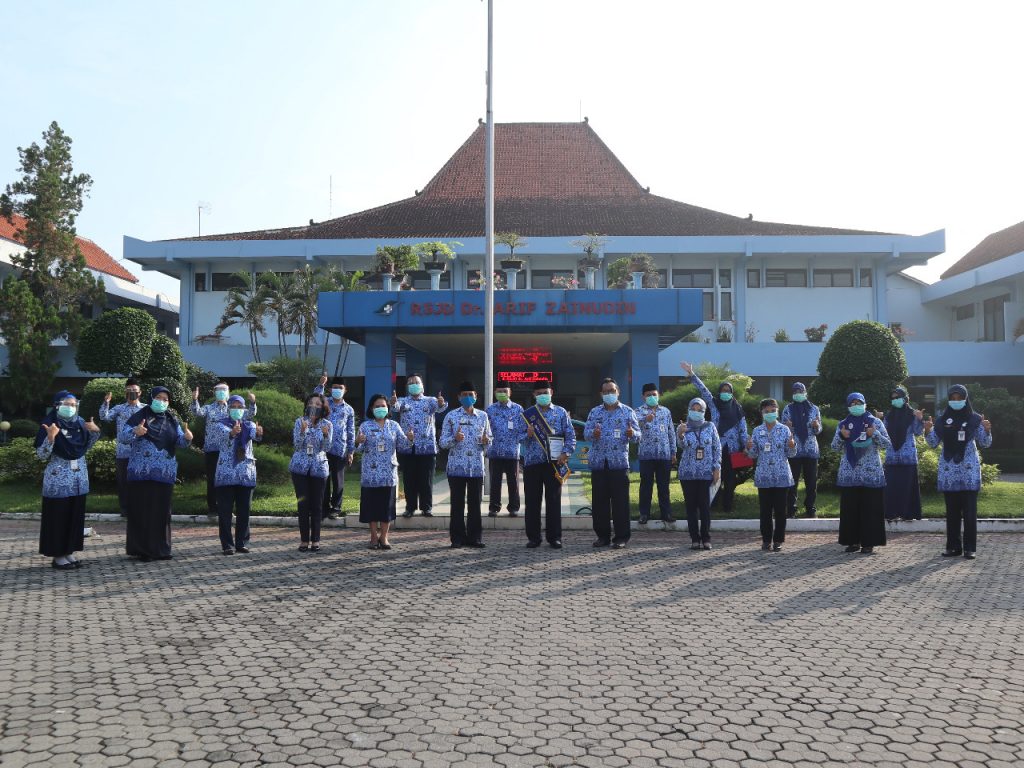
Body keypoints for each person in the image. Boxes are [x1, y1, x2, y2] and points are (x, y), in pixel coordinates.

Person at [121, 386, 194, 561]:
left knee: (161, 512)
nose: (162, 401)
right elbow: (123, 437)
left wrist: (187, 438)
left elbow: (179, 442)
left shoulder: (171, 420)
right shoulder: (139, 416)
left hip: (164, 473)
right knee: (143, 510)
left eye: (165, 399)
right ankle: (143, 550)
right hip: (141, 473)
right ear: (151, 398)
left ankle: (161, 549)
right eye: (159, 398)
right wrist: (135, 431)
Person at [924, 385, 993, 560]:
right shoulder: (942, 420)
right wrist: (927, 430)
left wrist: (987, 429)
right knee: (952, 513)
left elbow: (985, 443)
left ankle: (970, 548)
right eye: (952, 398)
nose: (956, 401)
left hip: (968, 472)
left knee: (970, 513)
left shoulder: (975, 419)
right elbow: (932, 443)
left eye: (959, 398)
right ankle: (953, 547)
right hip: (949, 472)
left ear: (965, 398)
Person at [36, 391, 101, 569]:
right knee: (59, 518)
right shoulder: (49, 424)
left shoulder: (80, 423)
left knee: (74, 518)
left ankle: (68, 551)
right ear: (57, 405)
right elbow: (41, 455)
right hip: (59, 481)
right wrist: (50, 438)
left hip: (79, 480)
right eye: (67, 404)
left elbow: (84, 447)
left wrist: (95, 433)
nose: (71, 407)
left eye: (73, 404)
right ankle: (58, 556)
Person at [682, 361, 748, 514]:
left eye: (728, 390)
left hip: (732, 450)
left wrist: (745, 446)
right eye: (723, 390)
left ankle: (728, 506)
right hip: (714, 448)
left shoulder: (738, 409)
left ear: (732, 393)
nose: (726, 392)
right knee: (713, 477)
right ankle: (712, 503)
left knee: (730, 479)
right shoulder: (714, 404)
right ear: (719, 392)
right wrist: (692, 375)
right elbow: (704, 391)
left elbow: (743, 431)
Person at [831, 392, 892, 555]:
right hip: (850, 473)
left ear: (864, 404)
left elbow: (887, 444)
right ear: (848, 405)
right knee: (851, 509)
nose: (856, 406)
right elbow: (834, 447)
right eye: (852, 403)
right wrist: (841, 436)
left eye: (859, 402)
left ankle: (869, 543)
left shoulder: (875, 422)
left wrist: (875, 434)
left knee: (870, 509)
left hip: (871, 473)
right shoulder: (843, 424)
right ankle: (853, 541)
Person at [584, 378, 641, 549]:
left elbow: (638, 436)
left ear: (618, 392)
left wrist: (632, 434)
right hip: (599, 463)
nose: (609, 394)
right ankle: (602, 537)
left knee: (620, 503)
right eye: (606, 391)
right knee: (599, 502)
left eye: (612, 390)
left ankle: (621, 537)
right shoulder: (595, 412)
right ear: (601, 394)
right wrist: (593, 433)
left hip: (619, 464)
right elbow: (586, 434)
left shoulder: (628, 412)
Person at [521, 381, 576, 549]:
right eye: (538, 393)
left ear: (551, 392)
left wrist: (566, 453)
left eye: (545, 392)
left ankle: (554, 538)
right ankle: (533, 538)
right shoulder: (527, 414)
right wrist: (527, 434)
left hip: (553, 463)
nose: (542, 395)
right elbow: (517, 438)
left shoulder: (560, 413)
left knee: (553, 501)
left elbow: (570, 435)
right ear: (534, 395)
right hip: (532, 464)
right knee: (532, 502)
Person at [439, 382, 493, 548]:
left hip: (476, 468)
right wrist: (455, 438)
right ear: (459, 397)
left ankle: (474, 538)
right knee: (457, 505)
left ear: (476, 397)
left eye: (470, 394)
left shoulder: (483, 416)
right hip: (456, 468)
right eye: (464, 394)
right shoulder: (451, 416)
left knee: (475, 505)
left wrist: (486, 441)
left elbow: (489, 441)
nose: (467, 397)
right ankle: (457, 538)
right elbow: (442, 442)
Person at [191, 382, 256, 517]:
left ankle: (226, 509)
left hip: (229, 449)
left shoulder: (233, 407)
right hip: (212, 448)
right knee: (212, 478)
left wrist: (252, 402)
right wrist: (194, 399)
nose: (221, 392)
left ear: (228, 392)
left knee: (228, 479)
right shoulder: (209, 408)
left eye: (224, 390)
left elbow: (249, 415)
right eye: (218, 390)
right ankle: (213, 509)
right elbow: (197, 412)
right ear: (214, 392)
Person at [209, 394, 263, 555]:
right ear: (229, 407)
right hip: (226, 474)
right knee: (225, 512)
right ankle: (227, 544)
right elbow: (222, 438)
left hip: (245, 473)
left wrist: (259, 432)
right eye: (234, 407)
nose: (237, 410)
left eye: (240, 407)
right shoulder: (220, 425)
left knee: (244, 510)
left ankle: (242, 542)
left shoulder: (249, 424)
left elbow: (256, 437)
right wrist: (232, 433)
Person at [355, 394, 410, 550]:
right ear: (372, 409)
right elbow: (360, 448)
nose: (380, 409)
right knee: (371, 506)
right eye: (377, 406)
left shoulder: (394, 426)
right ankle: (373, 537)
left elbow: (404, 445)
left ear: (388, 408)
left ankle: (384, 537)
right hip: (370, 473)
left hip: (388, 473)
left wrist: (410, 438)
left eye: (383, 406)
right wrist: (358, 442)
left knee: (386, 506)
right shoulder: (365, 426)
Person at [390, 374, 447, 518]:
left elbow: (440, 408)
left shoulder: (430, 401)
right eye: (411, 382)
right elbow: (395, 407)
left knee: (426, 479)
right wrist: (393, 402)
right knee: (409, 479)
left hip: (427, 447)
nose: (414, 384)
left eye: (416, 382)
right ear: (407, 386)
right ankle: (410, 508)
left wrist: (441, 403)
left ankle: (426, 507)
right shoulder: (403, 401)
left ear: (422, 385)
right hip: (408, 447)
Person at [746, 399, 798, 552]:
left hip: (781, 475)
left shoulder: (784, 430)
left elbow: (791, 454)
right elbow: (753, 454)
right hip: (764, 476)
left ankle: (778, 540)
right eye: (766, 411)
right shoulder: (757, 431)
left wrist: (792, 445)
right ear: (762, 413)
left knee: (781, 511)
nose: (770, 414)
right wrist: (749, 447)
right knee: (765, 511)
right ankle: (766, 540)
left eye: (773, 411)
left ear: (777, 411)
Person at [676, 397, 721, 550]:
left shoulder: (710, 426)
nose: (696, 412)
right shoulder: (683, 427)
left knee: (704, 506)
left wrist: (717, 468)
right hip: (688, 473)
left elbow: (717, 448)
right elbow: (682, 446)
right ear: (689, 410)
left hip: (706, 472)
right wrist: (681, 435)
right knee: (691, 507)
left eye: (699, 410)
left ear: (704, 411)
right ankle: (694, 539)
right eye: (693, 409)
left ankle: (706, 538)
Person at [289, 393, 333, 552]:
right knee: (303, 505)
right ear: (307, 405)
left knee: (317, 505)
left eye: (318, 404)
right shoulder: (299, 422)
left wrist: (326, 434)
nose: (314, 406)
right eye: (311, 403)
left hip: (318, 469)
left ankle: (315, 540)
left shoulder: (327, 424)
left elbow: (327, 448)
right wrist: (302, 431)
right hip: (300, 469)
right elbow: (297, 445)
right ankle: (303, 540)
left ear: (323, 407)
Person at [99, 378, 146, 517]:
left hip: (141, 451)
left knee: (140, 481)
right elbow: (105, 417)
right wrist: (106, 402)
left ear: (140, 393)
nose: (132, 393)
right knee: (124, 482)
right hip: (123, 451)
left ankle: (140, 507)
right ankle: (125, 509)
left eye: (134, 391)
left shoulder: (145, 408)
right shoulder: (119, 408)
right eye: (129, 391)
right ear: (125, 392)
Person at [313, 375, 356, 519]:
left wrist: (351, 451)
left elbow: (351, 431)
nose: (337, 390)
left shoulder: (349, 409)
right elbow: (315, 399)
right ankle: (323, 508)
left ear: (345, 390)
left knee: (338, 480)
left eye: (340, 388)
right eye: (335, 387)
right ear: (331, 389)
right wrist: (321, 385)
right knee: (324, 479)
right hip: (323, 448)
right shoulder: (325, 403)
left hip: (340, 448)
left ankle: (336, 507)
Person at [636, 382, 677, 525]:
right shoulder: (639, 412)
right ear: (643, 397)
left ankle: (666, 514)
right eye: (649, 395)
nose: (652, 397)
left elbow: (671, 432)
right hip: (646, 455)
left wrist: (673, 452)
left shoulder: (665, 411)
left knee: (663, 486)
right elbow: (634, 429)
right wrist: (644, 420)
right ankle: (644, 514)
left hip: (664, 454)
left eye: (654, 394)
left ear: (658, 395)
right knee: (646, 485)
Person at [882, 386, 925, 522]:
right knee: (891, 487)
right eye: (893, 398)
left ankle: (908, 513)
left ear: (905, 399)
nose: (895, 400)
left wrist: (919, 419)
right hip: (891, 457)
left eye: (898, 397)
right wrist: (878, 421)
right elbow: (883, 433)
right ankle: (891, 513)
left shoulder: (912, 415)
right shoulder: (889, 416)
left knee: (907, 487)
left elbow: (918, 432)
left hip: (908, 457)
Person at [781, 382, 822, 519]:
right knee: (793, 481)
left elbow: (818, 429)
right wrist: (788, 426)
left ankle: (810, 508)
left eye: (800, 391)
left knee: (811, 481)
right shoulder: (788, 408)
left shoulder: (814, 409)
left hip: (811, 450)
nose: (798, 394)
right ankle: (791, 508)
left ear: (805, 392)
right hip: (794, 449)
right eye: (795, 391)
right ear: (793, 394)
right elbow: (783, 430)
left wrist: (816, 426)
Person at [485, 385, 525, 517]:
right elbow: (485, 429)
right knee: (495, 481)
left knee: (513, 482)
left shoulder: (518, 409)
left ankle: (513, 507)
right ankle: (494, 507)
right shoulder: (490, 410)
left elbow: (523, 430)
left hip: (512, 452)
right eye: (499, 391)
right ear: (495, 392)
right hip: (495, 451)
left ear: (510, 392)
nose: (502, 393)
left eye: (504, 391)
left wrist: (518, 439)